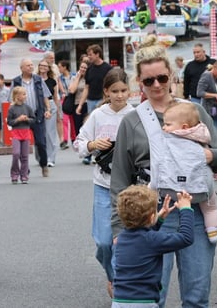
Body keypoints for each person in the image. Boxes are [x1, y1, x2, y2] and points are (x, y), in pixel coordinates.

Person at [110, 34, 217, 308]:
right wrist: (119, 228)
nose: (156, 85)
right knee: (154, 296)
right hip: (150, 218)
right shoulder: (132, 122)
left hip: (196, 213)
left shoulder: (194, 111)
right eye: (148, 80)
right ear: (139, 82)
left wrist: (207, 155)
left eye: (161, 78)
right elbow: (119, 179)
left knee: (197, 296)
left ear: (171, 75)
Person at [76, 67, 134, 297]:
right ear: (106, 91)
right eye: (115, 91)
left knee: (125, 240)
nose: (119, 95)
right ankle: (112, 275)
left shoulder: (136, 114)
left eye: (123, 90)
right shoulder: (99, 115)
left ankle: (121, 283)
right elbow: (79, 143)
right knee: (103, 242)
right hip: (103, 184)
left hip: (131, 186)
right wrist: (92, 145)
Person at [112, 186, 194, 308]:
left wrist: (160, 218)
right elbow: (186, 238)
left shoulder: (121, 238)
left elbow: (143, 239)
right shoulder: (151, 240)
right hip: (144, 303)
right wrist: (186, 209)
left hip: (119, 301)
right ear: (151, 217)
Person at [155, 102, 217, 242]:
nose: (164, 127)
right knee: (211, 207)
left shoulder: (165, 139)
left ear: (184, 127)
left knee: (153, 185)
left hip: (170, 188)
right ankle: (213, 232)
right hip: (200, 189)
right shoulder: (201, 134)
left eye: (168, 124)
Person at [11, 58, 52, 177]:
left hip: (37, 115)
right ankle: (24, 169)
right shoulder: (16, 81)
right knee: (22, 144)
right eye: (28, 65)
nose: (31, 67)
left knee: (41, 142)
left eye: (31, 65)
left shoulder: (38, 80)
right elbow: (11, 100)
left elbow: (45, 96)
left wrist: (48, 110)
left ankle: (44, 164)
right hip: (21, 118)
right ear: (22, 68)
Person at [6, 86, 34, 184]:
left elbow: (33, 119)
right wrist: (18, 120)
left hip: (26, 133)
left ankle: (24, 175)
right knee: (16, 154)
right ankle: (14, 174)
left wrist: (27, 119)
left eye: (25, 94)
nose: (25, 96)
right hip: (16, 133)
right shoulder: (12, 108)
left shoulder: (28, 108)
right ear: (17, 96)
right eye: (23, 94)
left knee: (25, 156)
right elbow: (9, 122)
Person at [79, 43, 112, 118]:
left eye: (90, 54)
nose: (88, 57)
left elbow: (111, 86)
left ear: (97, 54)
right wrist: (80, 105)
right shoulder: (89, 69)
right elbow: (86, 87)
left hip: (103, 100)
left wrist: (107, 99)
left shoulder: (108, 68)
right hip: (90, 101)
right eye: (88, 54)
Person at [196, 60, 217, 132]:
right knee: (212, 131)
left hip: (215, 109)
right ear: (214, 67)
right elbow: (199, 92)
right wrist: (215, 95)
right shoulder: (207, 75)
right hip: (208, 109)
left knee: (215, 131)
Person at [38, 59, 60, 168]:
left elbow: (55, 97)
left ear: (48, 68)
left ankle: (51, 158)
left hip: (50, 105)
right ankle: (41, 157)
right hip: (38, 106)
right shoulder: (35, 79)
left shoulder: (52, 81)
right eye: (41, 65)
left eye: (45, 66)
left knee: (50, 133)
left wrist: (57, 111)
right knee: (39, 133)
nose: (43, 67)